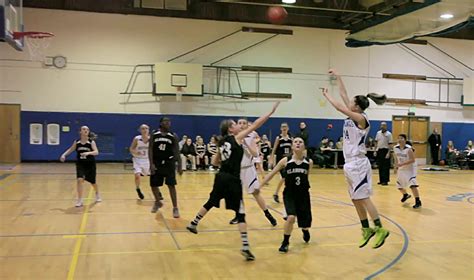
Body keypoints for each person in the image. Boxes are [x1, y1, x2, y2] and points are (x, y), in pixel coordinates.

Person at [186, 102, 280, 261]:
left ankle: (194, 222)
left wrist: (226, 158)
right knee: (241, 213)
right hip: (233, 179)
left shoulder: (221, 142)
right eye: (235, 124)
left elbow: (215, 162)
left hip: (220, 177)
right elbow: (257, 124)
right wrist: (270, 112)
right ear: (231, 129)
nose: (238, 126)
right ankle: (245, 246)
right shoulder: (237, 138)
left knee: (211, 201)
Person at [322, 68, 389, 249]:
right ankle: (366, 229)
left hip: (358, 163)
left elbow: (339, 105)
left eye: (351, 101)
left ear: (357, 107)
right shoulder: (352, 114)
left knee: (364, 198)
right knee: (355, 198)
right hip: (350, 164)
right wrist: (338, 77)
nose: (348, 101)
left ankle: (380, 228)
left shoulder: (361, 118)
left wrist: (327, 96)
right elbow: (344, 95)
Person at [261, 137, 313, 253]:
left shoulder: (308, 162)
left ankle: (305, 230)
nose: (298, 144)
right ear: (292, 146)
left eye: (300, 142)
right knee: (291, 217)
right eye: (296, 142)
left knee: (305, 223)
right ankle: (285, 242)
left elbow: (306, 177)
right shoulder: (285, 161)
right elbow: (272, 173)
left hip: (303, 194)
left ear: (304, 146)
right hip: (290, 194)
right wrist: (259, 186)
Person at [228, 118, 277, 226]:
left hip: (249, 169)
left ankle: (268, 214)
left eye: (244, 123)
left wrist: (246, 144)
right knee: (237, 195)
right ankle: (239, 215)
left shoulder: (251, 136)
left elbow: (255, 154)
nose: (241, 125)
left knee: (256, 193)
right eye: (239, 123)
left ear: (247, 125)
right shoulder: (233, 138)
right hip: (237, 170)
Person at [149, 117, 182, 218]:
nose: (168, 123)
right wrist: (151, 163)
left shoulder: (173, 136)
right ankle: (158, 202)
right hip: (157, 162)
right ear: (161, 123)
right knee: (153, 185)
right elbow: (150, 149)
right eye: (166, 121)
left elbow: (177, 151)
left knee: (171, 185)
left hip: (169, 162)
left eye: (169, 122)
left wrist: (180, 165)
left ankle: (175, 207)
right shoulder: (154, 134)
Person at [60, 126, 101, 207]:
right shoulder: (77, 142)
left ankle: (97, 193)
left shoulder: (91, 142)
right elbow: (70, 149)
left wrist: (88, 153)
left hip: (90, 164)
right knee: (79, 180)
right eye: (84, 129)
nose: (86, 130)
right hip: (80, 164)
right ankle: (80, 200)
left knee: (93, 182)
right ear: (80, 132)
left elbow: (96, 152)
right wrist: (64, 155)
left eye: (87, 129)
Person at [393, 134, 422, 209]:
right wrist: (395, 167)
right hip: (402, 168)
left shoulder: (409, 149)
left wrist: (402, 164)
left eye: (402, 138)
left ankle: (418, 201)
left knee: (412, 184)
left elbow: (412, 160)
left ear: (405, 140)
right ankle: (405, 195)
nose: (400, 139)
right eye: (398, 138)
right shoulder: (395, 148)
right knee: (399, 185)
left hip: (411, 168)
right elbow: (396, 158)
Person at [270, 123, 293, 203]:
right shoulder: (278, 138)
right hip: (281, 161)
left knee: (288, 178)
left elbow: (292, 149)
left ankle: (281, 194)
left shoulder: (290, 138)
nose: (284, 128)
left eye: (285, 127)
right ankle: (276, 193)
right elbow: (274, 149)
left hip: (288, 160)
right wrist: (271, 159)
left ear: (288, 128)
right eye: (283, 127)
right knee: (284, 177)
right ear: (280, 128)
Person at [129, 124, 150, 200]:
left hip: (147, 160)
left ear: (148, 130)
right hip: (138, 159)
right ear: (140, 130)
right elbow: (131, 149)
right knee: (137, 176)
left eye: (146, 128)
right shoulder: (137, 139)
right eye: (143, 128)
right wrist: (135, 152)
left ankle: (156, 190)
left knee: (153, 176)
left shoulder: (151, 139)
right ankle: (138, 189)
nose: (145, 130)